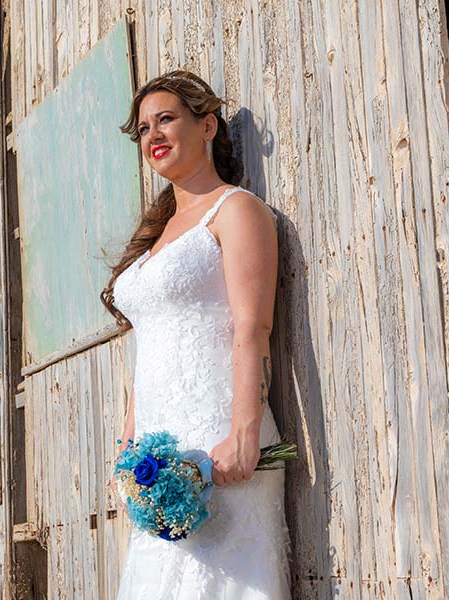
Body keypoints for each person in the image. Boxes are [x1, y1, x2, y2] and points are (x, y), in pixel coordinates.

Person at [102, 70, 290, 598]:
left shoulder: (236, 210)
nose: (153, 135)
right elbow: (152, 347)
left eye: (166, 119)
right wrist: (126, 449)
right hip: (156, 457)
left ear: (207, 126)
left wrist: (245, 431)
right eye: (142, 129)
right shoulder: (154, 239)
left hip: (218, 438)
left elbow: (254, 327)